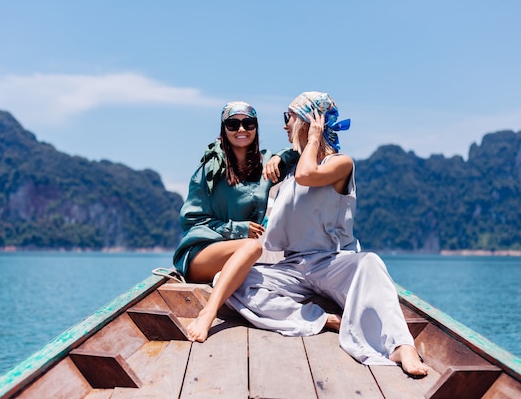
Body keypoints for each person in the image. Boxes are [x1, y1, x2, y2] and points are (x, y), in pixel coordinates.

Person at [226, 92, 429, 376]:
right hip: (294, 266)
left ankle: (401, 346)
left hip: (332, 262)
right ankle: (321, 320)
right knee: (230, 279)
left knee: (370, 263)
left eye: (290, 118)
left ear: (310, 122)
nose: (285, 126)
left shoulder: (340, 164)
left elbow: (307, 176)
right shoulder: (292, 166)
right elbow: (290, 178)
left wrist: (312, 139)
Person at [173, 101, 298, 343]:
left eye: (248, 123)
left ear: (256, 128)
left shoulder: (266, 166)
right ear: (223, 130)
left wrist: (280, 158)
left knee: (252, 249)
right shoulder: (209, 171)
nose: (241, 129)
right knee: (252, 246)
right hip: (201, 252)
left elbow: (300, 151)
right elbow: (192, 221)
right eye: (233, 123)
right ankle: (208, 313)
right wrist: (237, 229)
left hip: (237, 253)